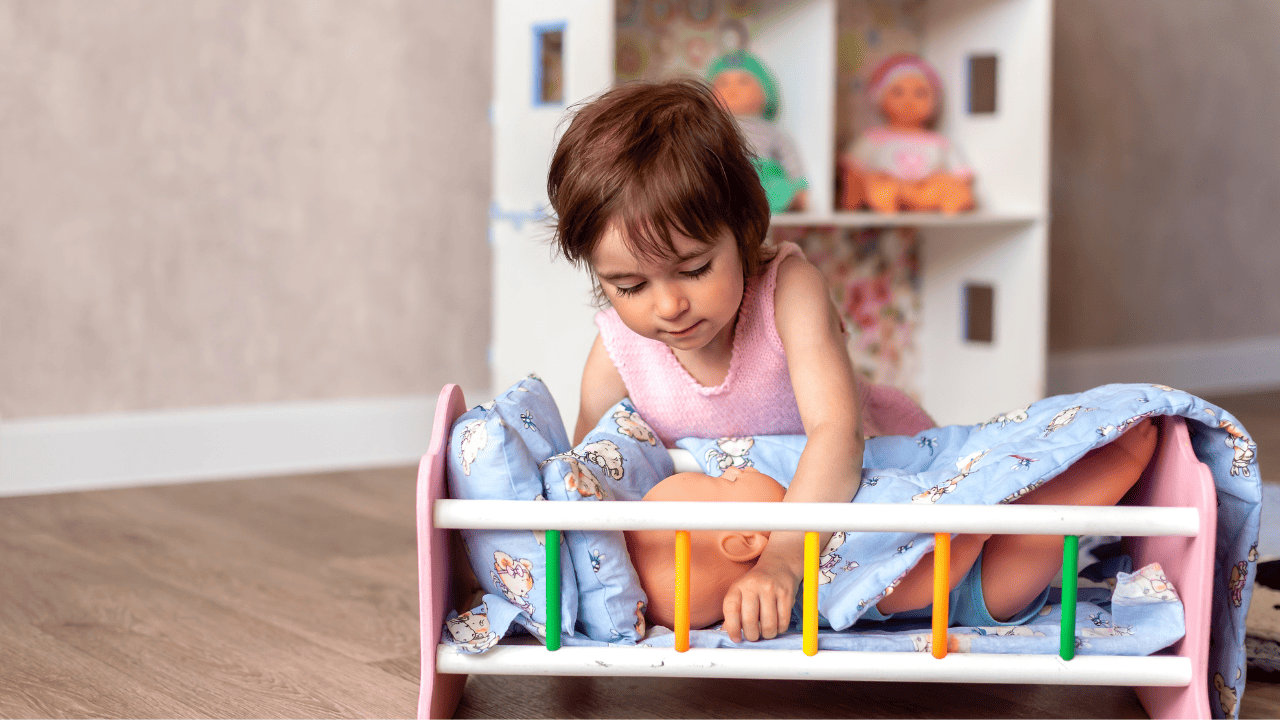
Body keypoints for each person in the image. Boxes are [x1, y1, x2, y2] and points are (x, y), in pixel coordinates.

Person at [547, 79, 932, 643]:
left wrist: (781, 559)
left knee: (953, 563)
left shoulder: (789, 292)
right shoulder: (618, 350)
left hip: (844, 492)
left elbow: (837, 437)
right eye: (629, 285)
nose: (669, 305)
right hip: (740, 544)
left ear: (745, 229)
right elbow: (592, 481)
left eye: (695, 269)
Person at [626, 419, 1158, 633]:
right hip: (975, 590)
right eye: (725, 481)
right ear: (744, 540)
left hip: (966, 548)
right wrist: (971, 527)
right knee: (1038, 524)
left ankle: (1105, 472)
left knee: (1028, 501)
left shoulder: (811, 526)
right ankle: (1124, 466)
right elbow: (909, 589)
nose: (736, 467)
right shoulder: (822, 583)